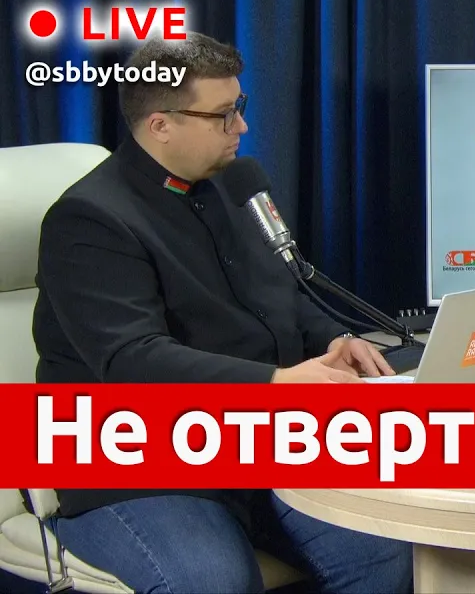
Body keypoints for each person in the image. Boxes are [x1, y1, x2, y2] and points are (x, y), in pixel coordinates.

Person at [30, 33, 412, 593]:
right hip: (133, 461)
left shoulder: (232, 185)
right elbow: (132, 359)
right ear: (161, 124)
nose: (242, 127)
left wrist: (337, 338)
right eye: (223, 114)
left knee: (389, 548)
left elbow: (281, 297)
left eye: (240, 106)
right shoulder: (90, 220)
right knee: (215, 581)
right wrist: (278, 381)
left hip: (252, 442)